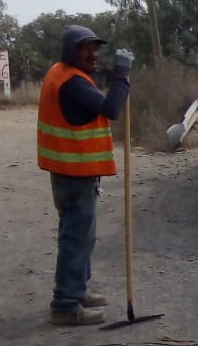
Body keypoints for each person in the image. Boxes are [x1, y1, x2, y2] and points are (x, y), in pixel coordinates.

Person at [37, 25, 133, 326]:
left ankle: (76, 292)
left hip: (69, 170)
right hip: (74, 172)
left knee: (79, 236)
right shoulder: (72, 82)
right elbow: (111, 108)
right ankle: (66, 305)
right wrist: (122, 77)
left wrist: (111, 73)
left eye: (96, 47)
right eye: (85, 48)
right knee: (77, 239)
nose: (93, 53)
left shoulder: (61, 72)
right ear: (70, 51)